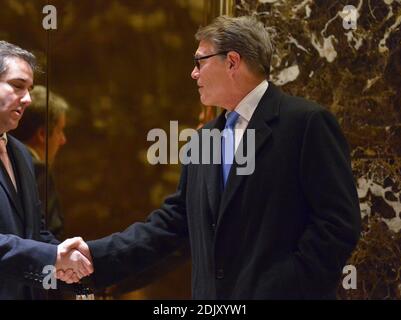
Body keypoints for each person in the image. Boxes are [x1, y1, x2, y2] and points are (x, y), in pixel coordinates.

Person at [67, 16, 361, 299]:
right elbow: (173, 223)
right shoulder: (205, 137)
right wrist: (96, 254)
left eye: (200, 62)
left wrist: (285, 287)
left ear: (232, 61)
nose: (193, 73)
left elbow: (337, 224)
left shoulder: (306, 123)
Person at [0, 40, 92, 299]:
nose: (28, 99)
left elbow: (36, 232)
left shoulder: (20, 153)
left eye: (29, 89)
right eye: (18, 86)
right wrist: (53, 255)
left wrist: (76, 262)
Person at [11, 85, 68, 239]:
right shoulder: (38, 170)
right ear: (42, 134)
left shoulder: (7, 163)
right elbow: (50, 233)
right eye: (60, 130)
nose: (63, 140)